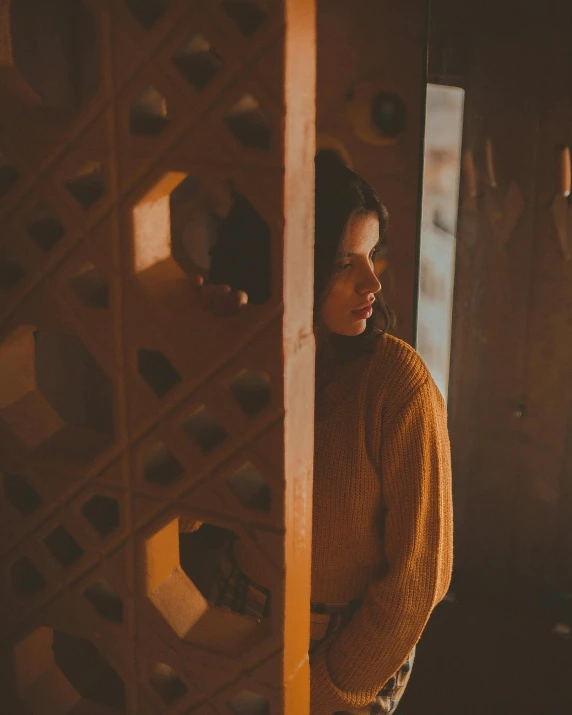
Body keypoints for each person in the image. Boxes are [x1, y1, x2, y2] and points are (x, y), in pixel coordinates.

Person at [190, 156, 454, 715]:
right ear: (284, 267)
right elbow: (188, 510)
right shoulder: (253, 366)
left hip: (349, 653)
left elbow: (419, 579)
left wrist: (328, 687)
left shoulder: (398, 387)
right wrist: (205, 355)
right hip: (235, 618)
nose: (372, 282)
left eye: (372, 254)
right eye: (342, 264)